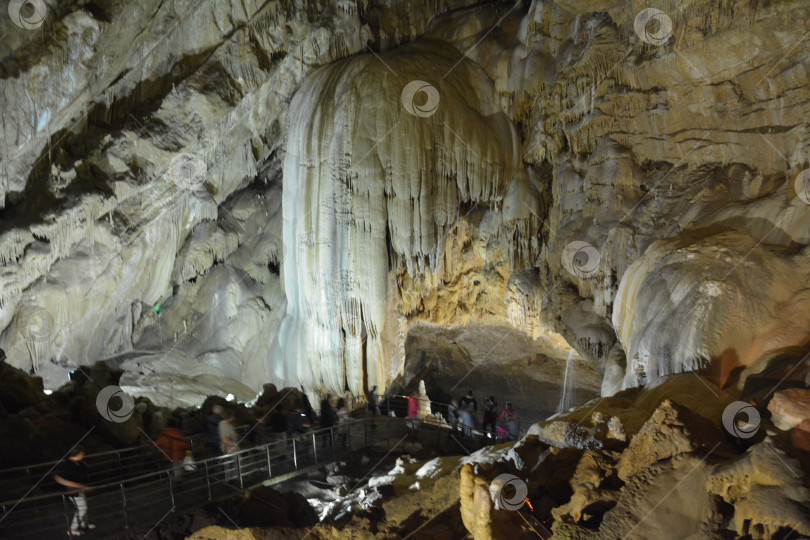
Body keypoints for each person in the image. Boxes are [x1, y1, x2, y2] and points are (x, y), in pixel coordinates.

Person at [53, 446, 94, 537]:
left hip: (80, 489)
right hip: (73, 491)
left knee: (84, 506)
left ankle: (84, 524)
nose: (83, 455)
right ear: (77, 454)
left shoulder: (78, 462)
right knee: (82, 508)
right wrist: (81, 486)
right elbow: (62, 480)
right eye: (82, 453)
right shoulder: (67, 465)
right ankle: (72, 529)